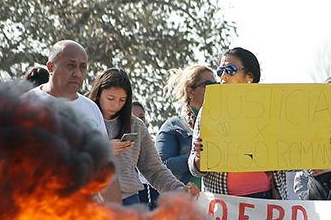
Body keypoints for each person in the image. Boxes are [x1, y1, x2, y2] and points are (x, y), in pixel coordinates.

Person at [88, 68, 198, 207]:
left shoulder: (136, 126)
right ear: (98, 94)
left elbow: (154, 169)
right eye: (110, 98)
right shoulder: (82, 117)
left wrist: (178, 189)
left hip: (129, 202)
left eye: (122, 100)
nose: (116, 105)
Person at [188, 47, 289, 199]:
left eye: (230, 69)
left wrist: (323, 144)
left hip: (266, 200)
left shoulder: (272, 109)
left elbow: (293, 157)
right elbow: (194, 168)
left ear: (249, 76)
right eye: (220, 70)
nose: (223, 75)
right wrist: (199, 157)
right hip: (224, 204)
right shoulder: (209, 110)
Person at [26, 40, 107, 138]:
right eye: (70, 66)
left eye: (82, 67)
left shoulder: (92, 109)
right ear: (51, 67)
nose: (77, 74)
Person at [157, 64, 216, 189]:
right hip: (186, 200)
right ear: (190, 91)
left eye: (216, 85)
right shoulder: (173, 126)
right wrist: (197, 157)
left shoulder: (221, 126)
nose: (214, 89)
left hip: (217, 202)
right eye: (209, 85)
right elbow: (161, 165)